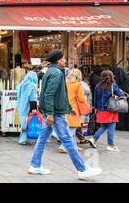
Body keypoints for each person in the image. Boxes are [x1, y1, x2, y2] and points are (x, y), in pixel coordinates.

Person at [28, 50, 102, 180]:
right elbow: (49, 94)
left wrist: (68, 108)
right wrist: (51, 114)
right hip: (55, 114)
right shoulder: (56, 73)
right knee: (68, 140)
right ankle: (83, 170)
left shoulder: (51, 71)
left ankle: (35, 166)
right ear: (57, 60)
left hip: (52, 111)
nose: (65, 60)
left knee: (42, 139)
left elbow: (58, 94)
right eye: (63, 58)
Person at [88, 70, 126, 152]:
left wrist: (95, 108)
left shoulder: (98, 86)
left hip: (100, 109)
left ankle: (94, 139)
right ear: (111, 76)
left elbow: (95, 98)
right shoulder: (113, 85)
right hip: (111, 108)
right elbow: (121, 95)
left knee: (105, 126)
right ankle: (110, 144)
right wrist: (123, 93)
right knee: (111, 126)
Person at [58, 69, 90, 154]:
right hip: (74, 109)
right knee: (72, 128)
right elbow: (82, 98)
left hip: (64, 108)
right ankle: (63, 146)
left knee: (68, 127)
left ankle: (73, 146)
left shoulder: (65, 84)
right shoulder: (77, 85)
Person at [113, 67, 129, 131]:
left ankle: (120, 126)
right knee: (128, 111)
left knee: (120, 111)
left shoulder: (116, 80)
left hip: (119, 98)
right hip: (128, 97)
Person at [16, 71, 38, 145]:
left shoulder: (22, 84)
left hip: (21, 106)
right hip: (28, 107)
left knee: (23, 123)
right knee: (26, 123)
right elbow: (32, 99)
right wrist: (34, 109)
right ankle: (23, 139)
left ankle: (22, 138)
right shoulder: (32, 86)